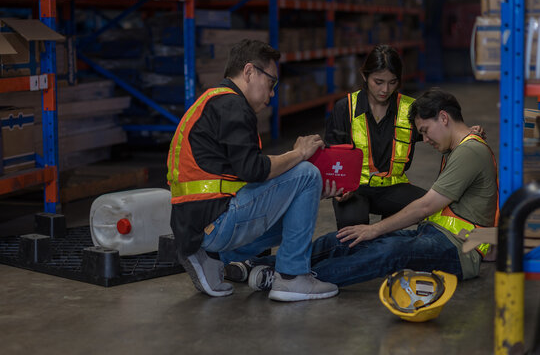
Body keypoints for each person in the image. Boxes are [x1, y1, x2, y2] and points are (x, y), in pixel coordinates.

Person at [248, 88, 498, 290]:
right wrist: (369, 232)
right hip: (434, 235)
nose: (425, 139)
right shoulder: (461, 147)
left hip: (458, 251)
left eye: (424, 131)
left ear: (444, 117)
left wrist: (374, 229)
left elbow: (426, 206)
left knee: (388, 251)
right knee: (345, 239)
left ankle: (292, 278)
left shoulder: (470, 151)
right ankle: (259, 265)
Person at [166, 39, 339, 301]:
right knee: (307, 174)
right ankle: (292, 278)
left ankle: (214, 259)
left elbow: (241, 172)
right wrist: (299, 155)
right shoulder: (233, 106)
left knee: (298, 205)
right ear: (249, 72)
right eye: (271, 84)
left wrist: (306, 194)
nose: (272, 94)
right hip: (215, 223)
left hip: (197, 227)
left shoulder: (214, 101)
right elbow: (254, 169)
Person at [325, 44, 426, 230]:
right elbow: (332, 158)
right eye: (378, 82)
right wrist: (339, 188)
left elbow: (441, 131)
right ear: (364, 76)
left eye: (392, 82)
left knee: (432, 209)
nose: (385, 89)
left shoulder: (410, 109)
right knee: (352, 229)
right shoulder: (344, 108)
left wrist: (465, 133)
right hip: (355, 190)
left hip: (394, 187)